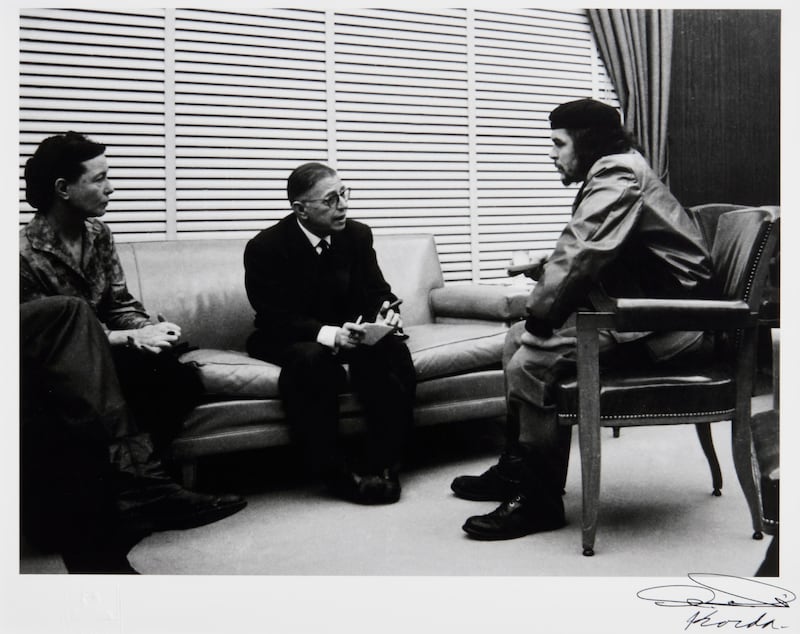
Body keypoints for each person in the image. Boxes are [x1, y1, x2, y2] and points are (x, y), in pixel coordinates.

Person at [451, 98, 716, 540]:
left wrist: (543, 314)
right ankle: (517, 470)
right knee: (516, 340)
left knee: (531, 357)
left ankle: (537, 503)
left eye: (558, 143)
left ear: (587, 142)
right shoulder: (620, 168)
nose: (551, 154)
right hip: (645, 307)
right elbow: (602, 249)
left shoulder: (617, 173)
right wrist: (544, 280)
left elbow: (583, 250)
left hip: (672, 322)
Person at [19, 132, 247, 573]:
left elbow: (118, 304)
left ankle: (139, 490)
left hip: (110, 357)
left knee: (176, 375)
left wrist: (149, 329)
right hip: (52, 375)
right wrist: (127, 339)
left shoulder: (98, 234)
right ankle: (133, 489)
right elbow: (46, 340)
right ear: (63, 189)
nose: (111, 189)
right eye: (100, 179)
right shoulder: (22, 253)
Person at [244, 162, 416, 505]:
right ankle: (336, 473)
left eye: (344, 193)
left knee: (390, 350)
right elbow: (275, 315)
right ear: (300, 209)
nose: (343, 205)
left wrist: (385, 314)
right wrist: (328, 333)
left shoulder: (357, 234)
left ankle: (384, 464)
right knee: (311, 361)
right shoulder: (265, 247)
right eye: (330, 200)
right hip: (292, 336)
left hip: (351, 331)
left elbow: (378, 291)